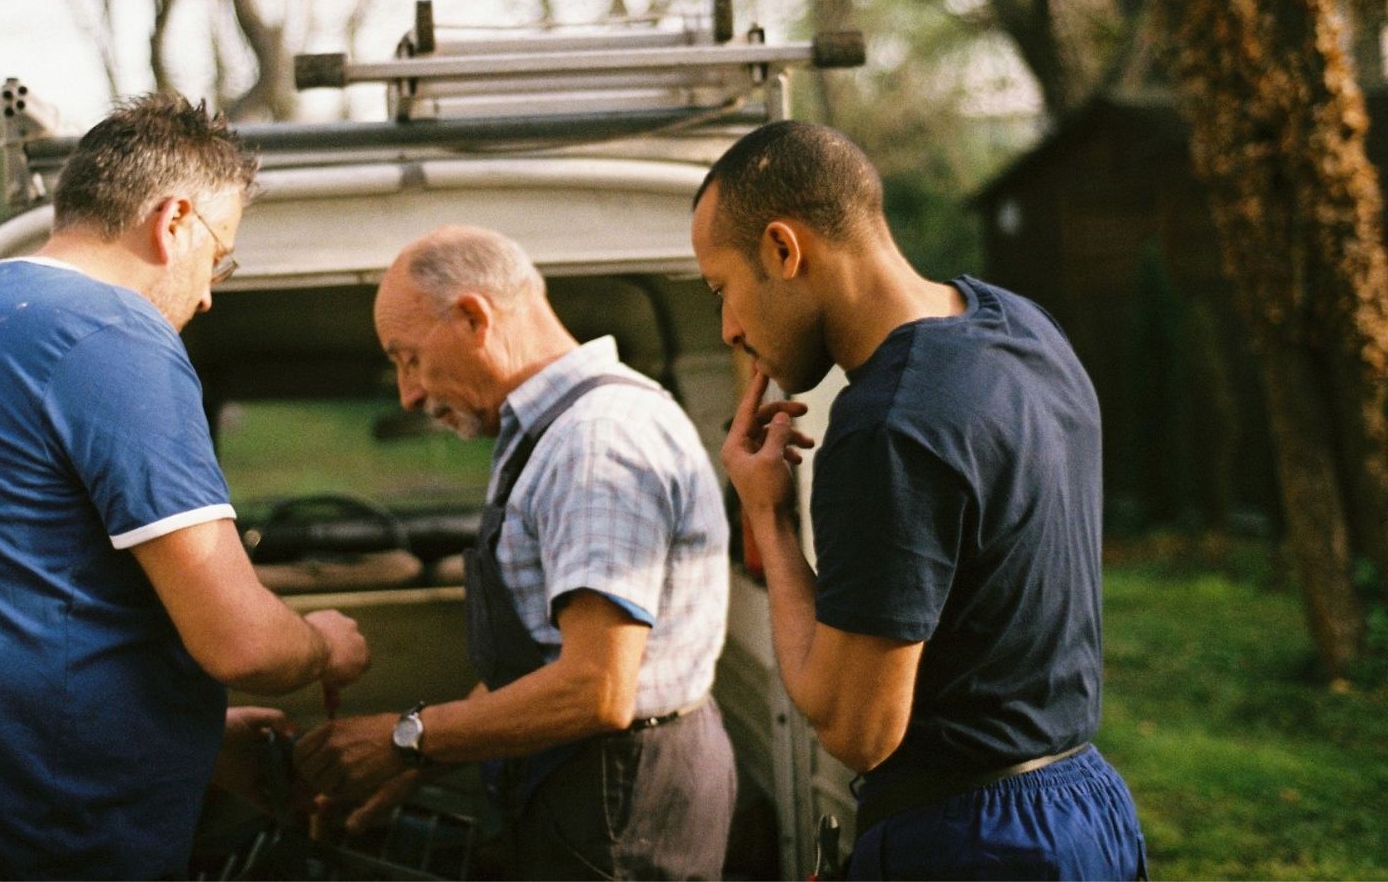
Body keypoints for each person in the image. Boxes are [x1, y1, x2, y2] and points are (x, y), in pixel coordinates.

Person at [0, 93, 369, 880]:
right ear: (174, 221)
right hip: (40, 831)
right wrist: (323, 643)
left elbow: (5, 605)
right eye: (219, 258)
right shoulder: (112, 333)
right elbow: (241, 641)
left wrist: (192, 738)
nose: (210, 292)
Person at [692, 120, 1146, 879]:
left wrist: (766, 515)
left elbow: (855, 729)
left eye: (721, 290)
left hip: (978, 842)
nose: (731, 328)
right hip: (1089, 805)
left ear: (782, 248)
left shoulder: (888, 427)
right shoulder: (1022, 328)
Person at [292, 225, 736, 880]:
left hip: (618, 803)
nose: (409, 393)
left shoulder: (597, 441)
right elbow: (536, 655)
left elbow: (596, 688)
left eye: (408, 357)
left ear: (474, 317)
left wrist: (404, 738)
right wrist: (412, 766)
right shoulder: (544, 434)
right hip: (585, 785)